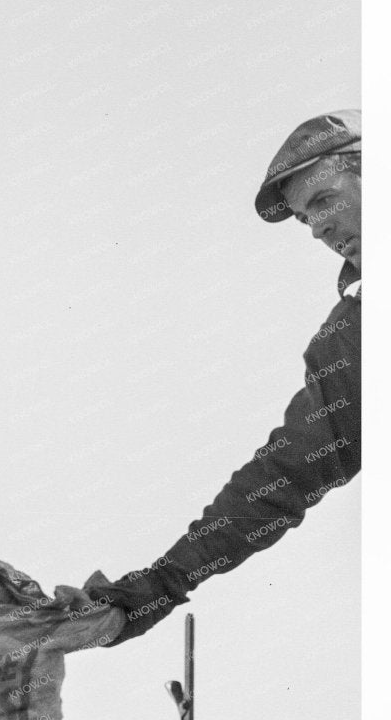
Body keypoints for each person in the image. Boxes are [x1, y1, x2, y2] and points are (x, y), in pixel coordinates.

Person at [83, 110, 360, 643]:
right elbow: (292, 468)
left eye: (323, 200)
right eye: (306, 218)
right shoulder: (360, 336)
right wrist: (167, 579)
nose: (318, 229)